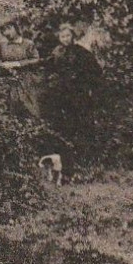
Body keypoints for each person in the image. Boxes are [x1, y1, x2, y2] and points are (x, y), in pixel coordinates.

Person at [44, 22, 103, 172]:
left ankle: (87, 163)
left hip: (79, 94)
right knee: (65, 128)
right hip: (62, 96)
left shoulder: (81, 52)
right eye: (62, 36)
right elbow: (49, 70)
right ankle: (68, 165)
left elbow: (95, 71)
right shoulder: (56, 52)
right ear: (59, 38)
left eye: (68, 35)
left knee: (82, 126)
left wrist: (86, 84)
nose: (65, 39)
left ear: (72, 36)